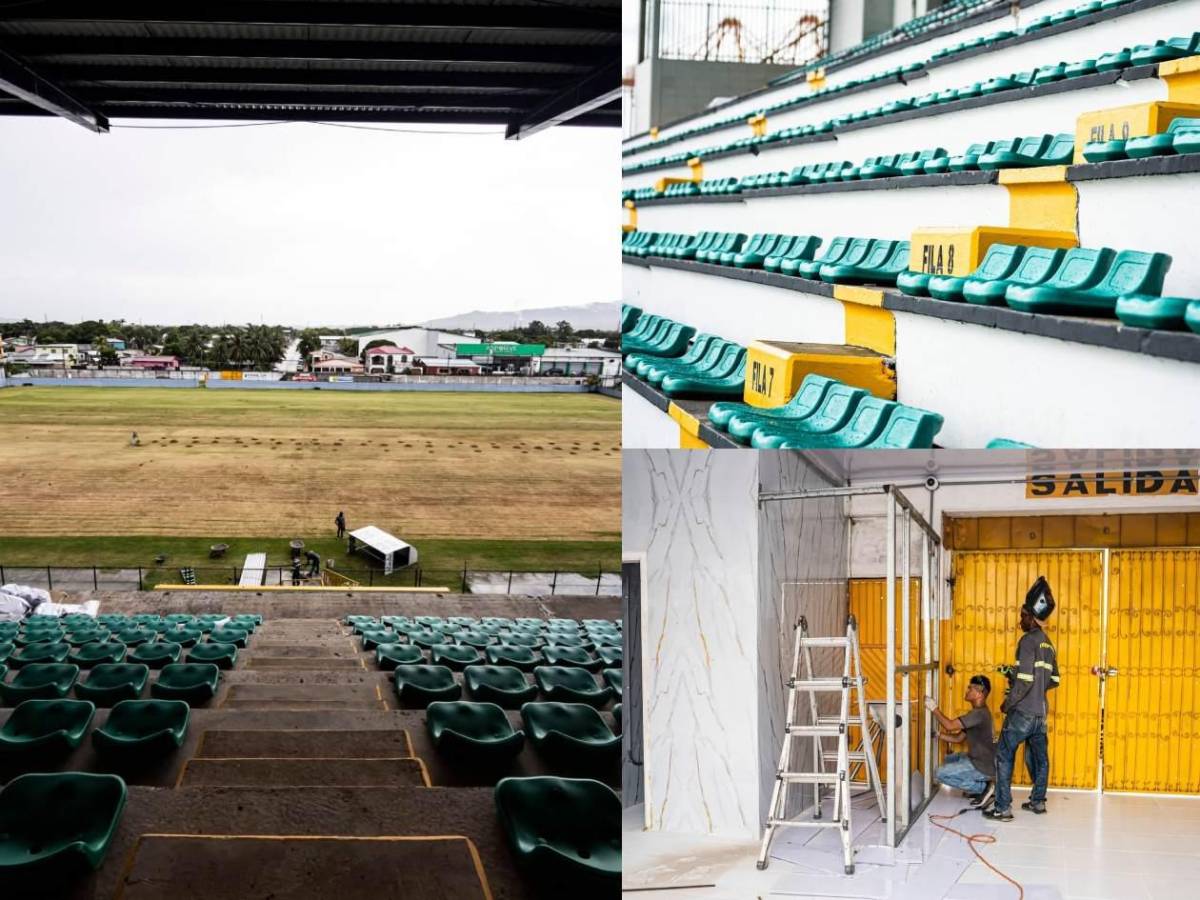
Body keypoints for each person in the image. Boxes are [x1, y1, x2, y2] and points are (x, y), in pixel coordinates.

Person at [984, 585, 1059, 822]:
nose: (1020, 621)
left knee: (1004, 755)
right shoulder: (1048, 645)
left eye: (1022, 616)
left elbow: (1025, 681)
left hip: (1023, 712)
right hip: (1041, 714)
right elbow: (1054, 679)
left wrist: (1008, 703)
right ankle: (1038, 802)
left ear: (1031, 618)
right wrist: (1036, 688)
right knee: (1041, 758)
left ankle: (1003, 808)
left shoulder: (1027, 641)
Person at [926, 675, 996, 809]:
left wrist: (934, 708)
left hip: (983, 765)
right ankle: (979, 787)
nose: (967, 691)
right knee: (949, 759)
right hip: (982, 759)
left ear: (979, 692)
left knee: (940, 773)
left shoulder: (978, 714)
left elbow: (950, 725)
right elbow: (958, 738)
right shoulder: (980, 713)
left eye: (970, 688)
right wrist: (938, 735)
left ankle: (983, 788)